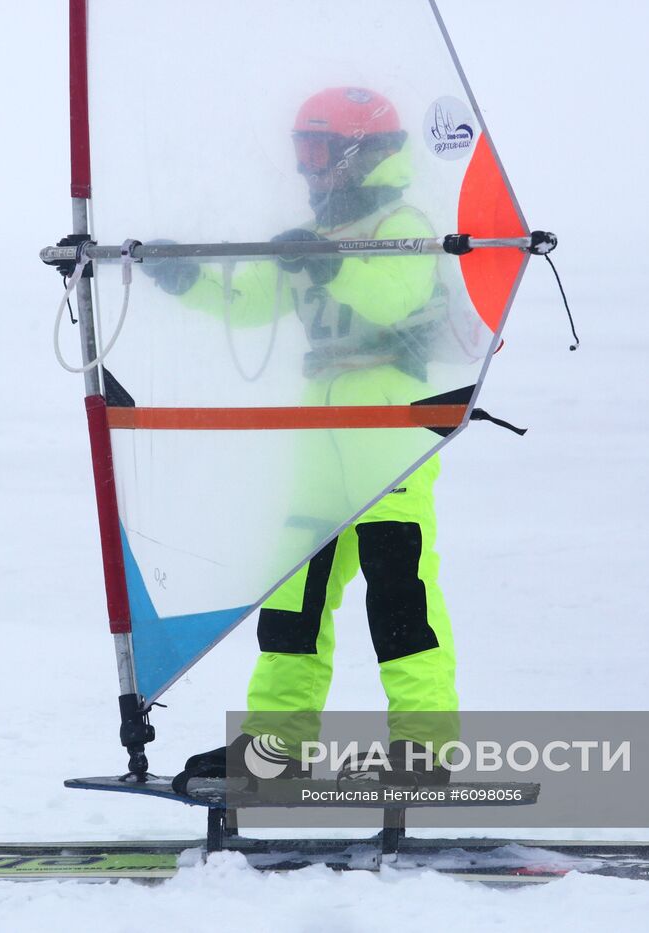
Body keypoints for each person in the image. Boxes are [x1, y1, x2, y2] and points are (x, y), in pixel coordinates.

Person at [146, 87, 462, 786]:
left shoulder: (403, 224)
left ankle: (425, 746)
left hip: (389, 420)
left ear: (359, 155)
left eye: (318, 154)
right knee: (294, 597)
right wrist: (184, 277)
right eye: (301, 154)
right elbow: (254, 300)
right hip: (318, 427)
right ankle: (273, 749)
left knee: (398, 586)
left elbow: (394, 296)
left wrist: (327, 262)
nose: (308, 172)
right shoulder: (317, 234)